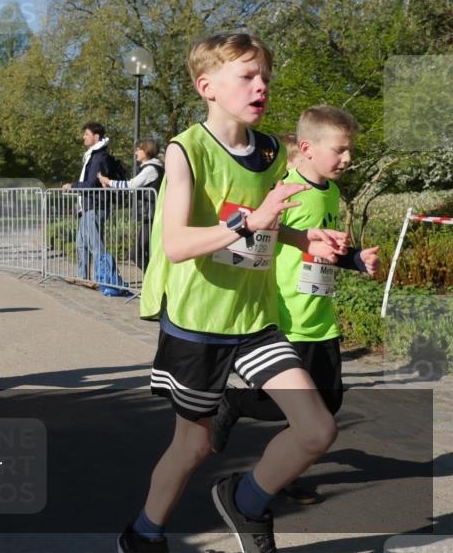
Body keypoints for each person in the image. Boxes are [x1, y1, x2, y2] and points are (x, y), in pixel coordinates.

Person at [119, 33, 349, 553]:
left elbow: (265, 225)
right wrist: (253, 223)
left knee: (317, 430)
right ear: (208, 87)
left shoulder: (270, 150)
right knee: (194, 446)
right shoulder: (186, 151)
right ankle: (143, 533)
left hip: (255, 322)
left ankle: (245, 502)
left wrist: (300, 235)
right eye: (247, 76)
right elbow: (177, 244)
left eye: (265, 74)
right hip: (199, 325)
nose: (261, 84)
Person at [210, 106, 380, 505]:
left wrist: (355, 259)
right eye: (340, 150)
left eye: (349, 150)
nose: (348, 159)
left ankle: (278, 473)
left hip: (320, 316)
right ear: (308, 147)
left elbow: (322, 248)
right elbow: (246, 241)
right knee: (286, 406)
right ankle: (232, 402)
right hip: (287, 317)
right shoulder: (283, 188)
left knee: (329, 403)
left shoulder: (333, 192)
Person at [62, 122, 125, 283]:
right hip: (88, 206)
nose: (83, 137)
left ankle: (103, 279)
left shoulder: (99, 157)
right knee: (81, 244)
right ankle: (83, 277)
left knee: (95, 245)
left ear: (96, 137)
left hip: (96, 205)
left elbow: (92, 184)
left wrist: (72, 186)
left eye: (86, 134)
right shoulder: (92, 156)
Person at [98, 138, 165, 270]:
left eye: (138, 149)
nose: (135, 153)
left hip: (151, 216)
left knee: (137, 253)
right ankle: (152, 284)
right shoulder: (151, 167)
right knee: (144, 252)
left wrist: (109, 181)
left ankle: (152, 283)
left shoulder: (151, 169)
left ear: (146, 150)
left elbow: (131, 185)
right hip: (150, 216)